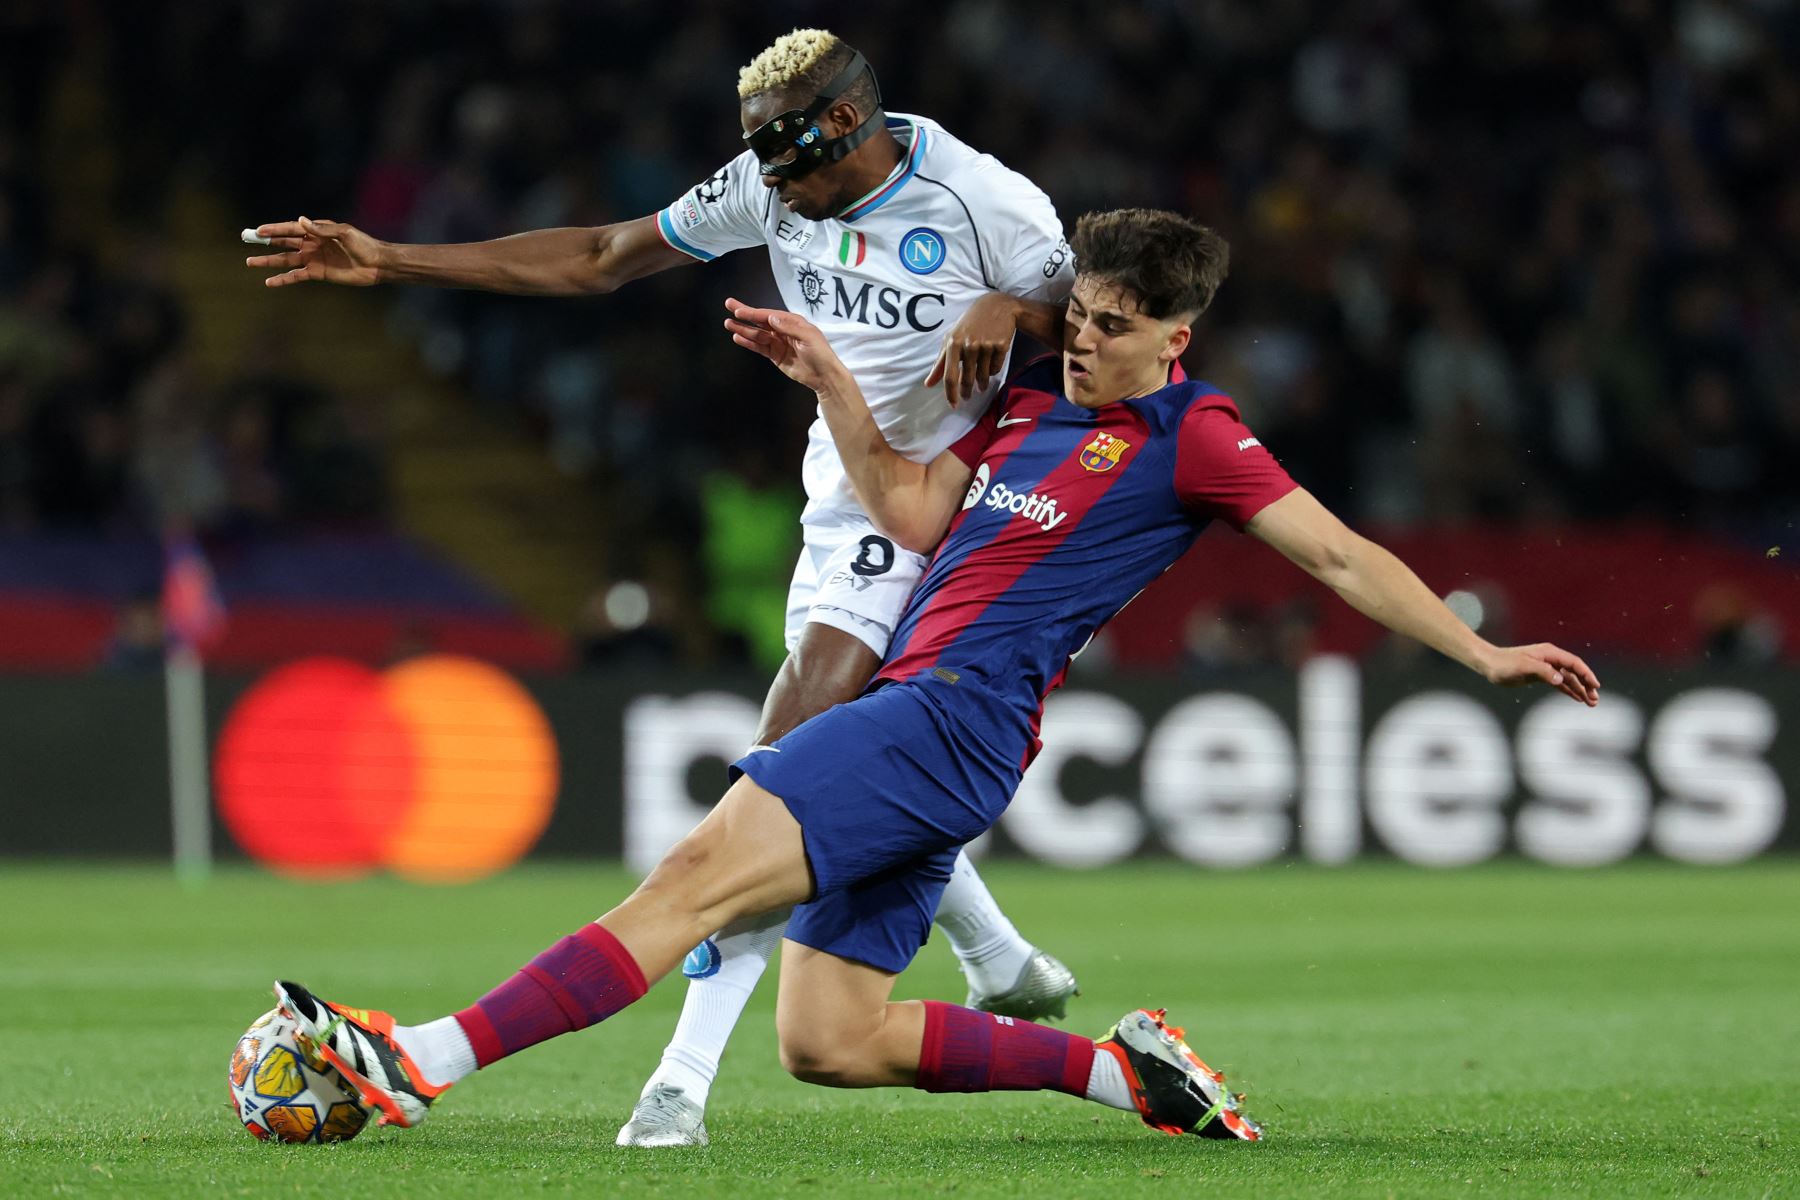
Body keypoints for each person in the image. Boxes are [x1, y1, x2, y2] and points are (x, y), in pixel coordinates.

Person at [271, 207, 1600, 1147]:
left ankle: (416, 1064)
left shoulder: (1196, 436)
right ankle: (1118, 1072)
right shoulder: (1030, 408)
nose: (1082, 340)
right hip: (946, 738)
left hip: (947, 716)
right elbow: (912, 515)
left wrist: (1479, 651)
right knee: (830, 1044)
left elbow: (1343, 555)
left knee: (689, 882)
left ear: (1177, 335)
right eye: (1077, 313)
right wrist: (836, 384)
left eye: (1115, 326)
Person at [246, 29, 1080, 1147]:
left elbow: (1118, 339)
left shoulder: (989, 205)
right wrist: (390, 260)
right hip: (848, 507)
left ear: (842, 120)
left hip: (959, 514)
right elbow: (599, 256)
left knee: (788, 767)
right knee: (836, 773)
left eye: (775, 146)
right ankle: (996, 956)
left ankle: (678, 1083)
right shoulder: (771, 188)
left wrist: (1014, 315)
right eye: (749, 150)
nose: (758, 173)